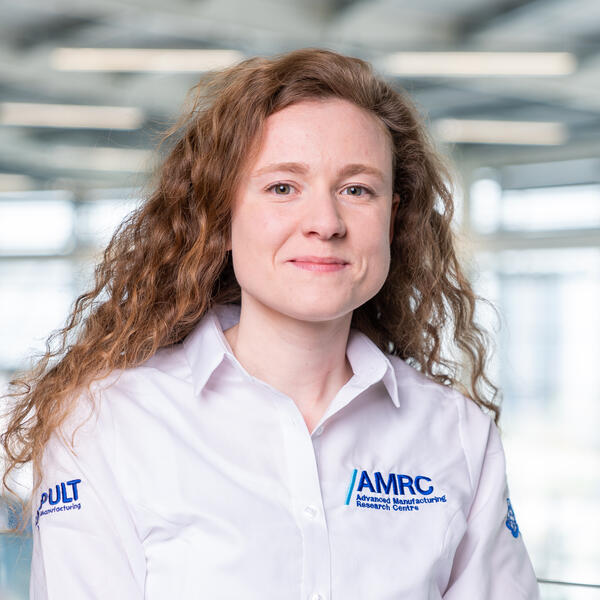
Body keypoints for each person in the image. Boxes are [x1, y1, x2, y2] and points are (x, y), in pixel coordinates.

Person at [1, 48, 540, 598]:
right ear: (222, 214)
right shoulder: (107, 424)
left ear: (393, 217)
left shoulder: (458, 435)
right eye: (283, 187)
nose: (326, 223)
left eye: (357, 190)